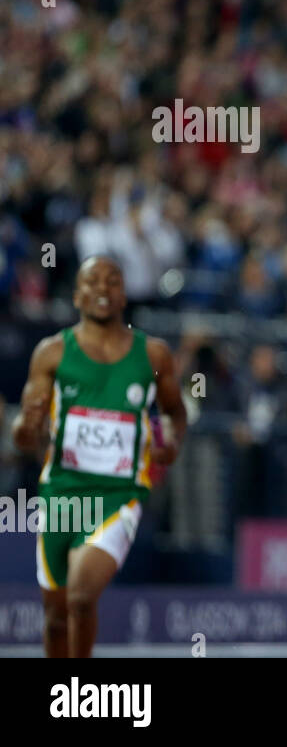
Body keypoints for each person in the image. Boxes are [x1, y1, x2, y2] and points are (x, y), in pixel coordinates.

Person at [11, 256, 187, 658]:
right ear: (77, 295)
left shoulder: (154, 356)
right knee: (55, 617)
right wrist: (27, 427)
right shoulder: (51, 353)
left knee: (80, 597)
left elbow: (175, 411)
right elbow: (23, 433)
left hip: (118, 496)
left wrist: (172, 442)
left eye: (112, 281)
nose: (103, 289)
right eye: (92, 281)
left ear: (124, 294)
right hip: (61, 495)